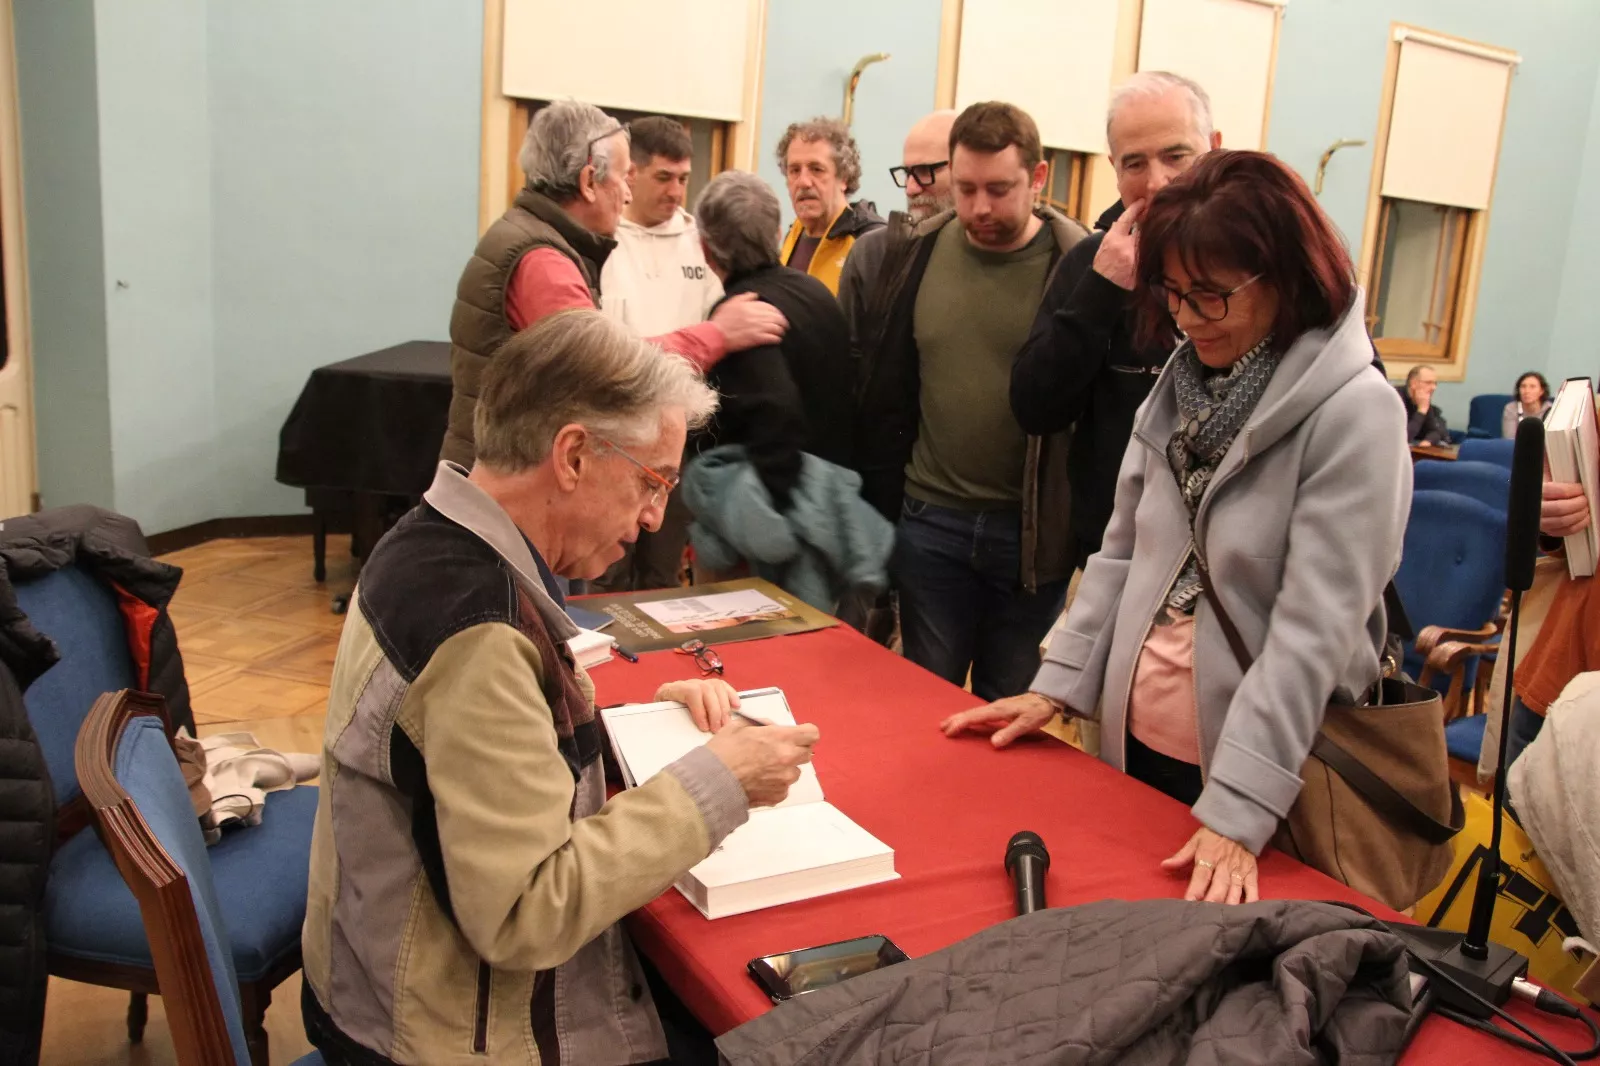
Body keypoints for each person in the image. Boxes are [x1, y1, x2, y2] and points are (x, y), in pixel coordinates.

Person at [304, 310, 821, 1065]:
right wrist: (723, 782)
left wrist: (628, 727)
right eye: (653, 483)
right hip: (436, 1032)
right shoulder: (479, 629)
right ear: (573, 454)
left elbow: (463, 761)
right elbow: (524, 914)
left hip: (378, 981)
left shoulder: (428, 541)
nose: (653, 520)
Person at [941, 151, 1411, 906]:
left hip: (1263, 777)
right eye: (1174, 295)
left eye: (1212, 297)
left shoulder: (1356, 413)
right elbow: (1125, 551)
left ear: (1285, 278)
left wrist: (1241, 807)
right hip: (1142, 747)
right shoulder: (1182, 382)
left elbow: (1312, 632)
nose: (1188, 320)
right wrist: (1057, 687)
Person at [856, 102, 1089, 701]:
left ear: (1038, 179)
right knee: (925, 704)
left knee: (1005, 707)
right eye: (965, 189)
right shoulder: (916, 252)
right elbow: (889, 389)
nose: (980, 207)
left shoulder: (1078, 265)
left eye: (999, 189)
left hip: (1032, 538)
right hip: (930, 523)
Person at [441, 100, 786, 467]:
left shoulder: (535, 240)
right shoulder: (542, 263)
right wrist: (717, 335)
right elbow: (604, 370)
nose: (626, 194)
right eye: (624, 178)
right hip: (507, 477)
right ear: (589, 182)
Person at [1011, 72, 1220, 572]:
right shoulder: (1091, 261)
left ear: (1213, 148)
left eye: (1176, 156)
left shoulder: (1265, 259)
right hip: (1114, 562)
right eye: (1135, 163)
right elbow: (1035, 407)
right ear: (1113, 168)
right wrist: (1101, 291)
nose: (1157, 182)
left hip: (1233, 568)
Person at [593, 115, 723, 592]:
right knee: (605, 570)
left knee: (661, 575)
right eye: (664, 177)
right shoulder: (601, 240)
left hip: (679, 440)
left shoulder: (701, 245)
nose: (675, 191)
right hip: (613, 436)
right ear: (632, 175)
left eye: (684, 179)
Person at [838, 109, 959, 358]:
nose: (912, 189)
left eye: (926, 171)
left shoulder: (1001, 257)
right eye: (907, 173)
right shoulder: (871, 255)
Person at [775, 116, 884, 295]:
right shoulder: (793, 235)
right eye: (794, 170)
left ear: (844, 178)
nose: (803, 182)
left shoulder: (869, 244)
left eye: (816, 169)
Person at [1399, 365, 1449, 445]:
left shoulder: (1424, 400)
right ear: (1413, 383)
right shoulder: (1395, 398)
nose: (1433, 388)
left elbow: (1435, 431)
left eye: (1435, 383)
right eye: (1428, 382)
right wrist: (1421, 410)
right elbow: (1402, 438)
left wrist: (1427, 441)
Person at [1504, 371, 1553, 438]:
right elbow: (1509, 438)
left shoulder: (1550, 409)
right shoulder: (1511, 408)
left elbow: (1551, 438)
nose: (1527, 391)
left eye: (1532, 387)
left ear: (1541, 391)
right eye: (1523, 386)